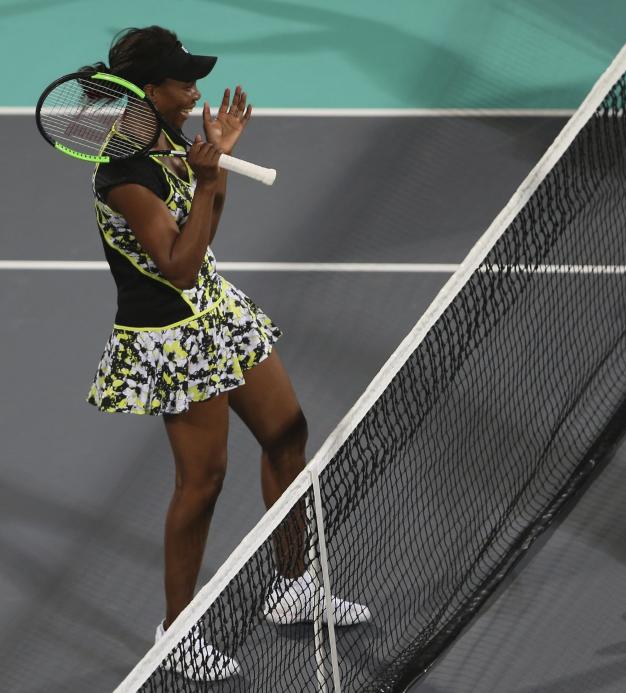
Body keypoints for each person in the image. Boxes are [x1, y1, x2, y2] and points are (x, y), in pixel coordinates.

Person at [83, 26, 369, 681]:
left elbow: (203, 236)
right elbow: (178, 266)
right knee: (203, 481)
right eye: (182, 84)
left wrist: (214, 169)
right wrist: (208, 179)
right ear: (147, 90)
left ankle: (293, 584)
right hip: (171, 336)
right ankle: (175, 631)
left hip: (217, 311)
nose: (194, 94)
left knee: (288, 433)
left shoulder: (167, 141)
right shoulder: (125, 173)